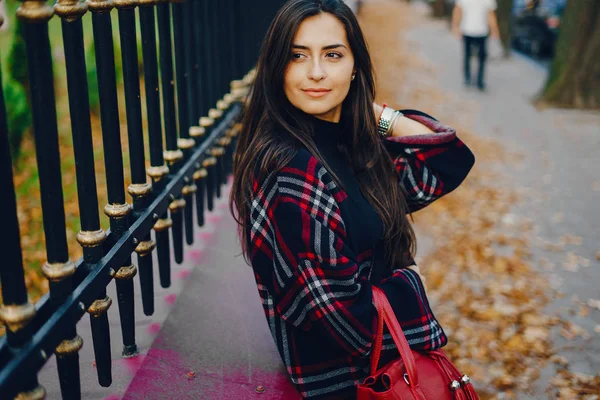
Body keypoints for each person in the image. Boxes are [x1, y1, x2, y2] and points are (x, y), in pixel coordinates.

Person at [230, 0, 475, 398]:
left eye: (333, 55)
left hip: (382, 368)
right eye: (297, 56)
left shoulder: (351, 145)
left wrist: (377, 115)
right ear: (277, 67)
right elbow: (348, 323)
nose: (316, 72)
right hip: (344, 384)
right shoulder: (289, 173)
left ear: (355, 65)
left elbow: (448, 163)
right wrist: (411, 283)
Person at [452, 0, 500, 90]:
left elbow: (490, 15)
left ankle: (480, 81)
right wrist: (455, 26)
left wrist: (494, 30)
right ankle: (467, 78)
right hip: (467, 30)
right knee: (467, 56)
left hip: (482, 31)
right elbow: (458, 10)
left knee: (482, 58)